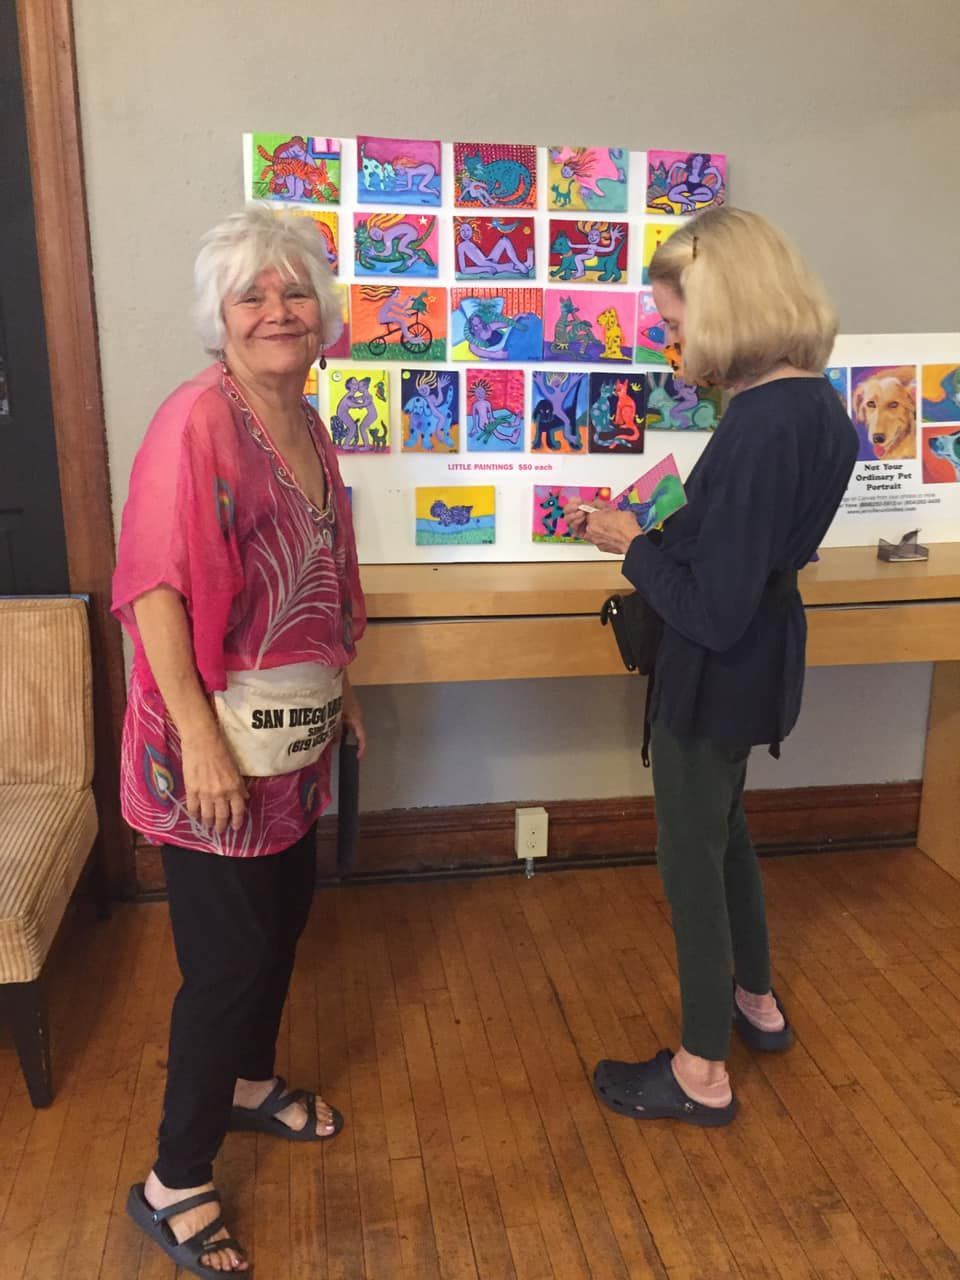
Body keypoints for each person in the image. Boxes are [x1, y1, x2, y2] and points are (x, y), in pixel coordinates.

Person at [113, 206, 366, 1275]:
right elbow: (156, 585)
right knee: (224, 964)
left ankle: (253, 1081)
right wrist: (199, 738)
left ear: (323, 314)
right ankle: (174, 1178)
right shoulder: (196, 419)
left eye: (294, 290)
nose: (277, 310)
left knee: (283, 925)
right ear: (219, 317)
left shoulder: (310, 422)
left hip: (292, 743)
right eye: (252, 294)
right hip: (209, 749)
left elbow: (317, 574)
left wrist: (340, 687)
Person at [569, 207, 858, 1126]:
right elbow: (763, 552)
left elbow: (709, 609)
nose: (671, 335)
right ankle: (756, 1004)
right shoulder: (818, 405)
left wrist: (628, 543)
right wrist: (677, 533)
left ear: (726, 303)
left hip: (714, 672)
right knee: (727, 831)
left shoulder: (760, 423)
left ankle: (701, 1071)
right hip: (764, 660)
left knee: (690, 859)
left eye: (674, 317)